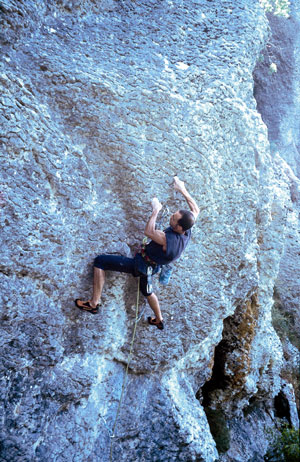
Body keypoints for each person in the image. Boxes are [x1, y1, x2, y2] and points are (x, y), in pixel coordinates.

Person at [75, 176, 199, 330]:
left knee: (100, 261)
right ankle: (159, 320)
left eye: (174, 218)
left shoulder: (169, 240)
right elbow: (195, 209)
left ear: (179, 228)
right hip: (151, 268)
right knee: (148, 292)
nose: (171, 217)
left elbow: (149, 231)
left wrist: (155, 211)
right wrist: (182, 189)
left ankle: (93, 304)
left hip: (139, 264)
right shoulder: (187, 230)